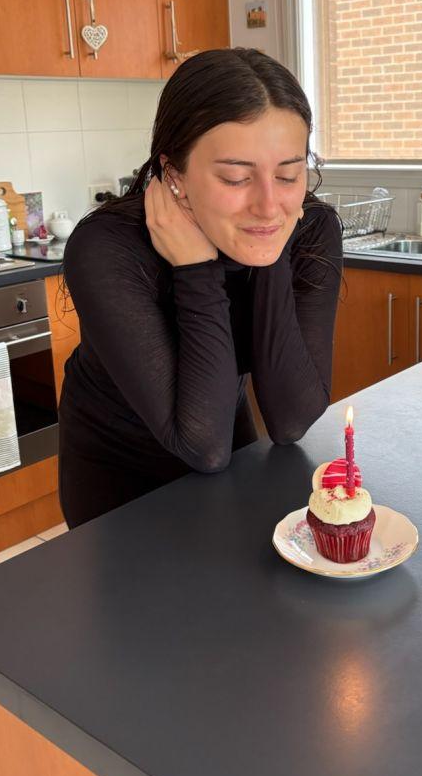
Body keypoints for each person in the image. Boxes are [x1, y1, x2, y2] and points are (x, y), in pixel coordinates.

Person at [57, 48, 343, 528]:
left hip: (222, 432)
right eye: (236, 178)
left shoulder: (308, 228)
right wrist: (194, 267)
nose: (268, 204)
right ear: (175, 174)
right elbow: (202, 446)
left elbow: (292, 420)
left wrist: (270, 249)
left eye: (288, 175)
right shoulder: (107, 247)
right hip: (119, 480)